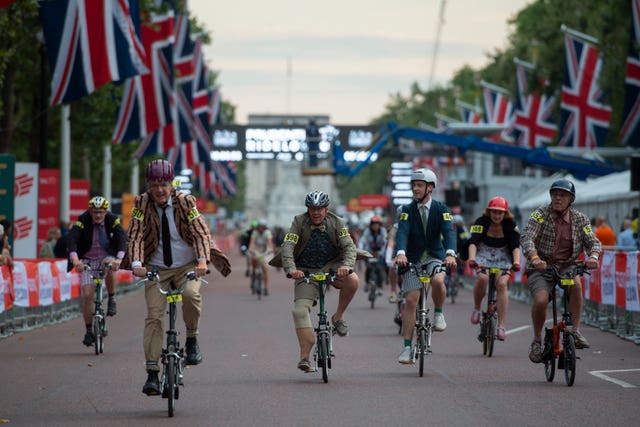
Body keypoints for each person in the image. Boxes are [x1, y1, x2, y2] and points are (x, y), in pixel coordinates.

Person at [125, 159, 231, 396]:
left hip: (187, 265)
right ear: (148, 185)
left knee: (190, 294)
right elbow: (135, 235)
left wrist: (203, 261)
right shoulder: (141, 203)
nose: (159, 190)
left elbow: (200, 232)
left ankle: (192, 338)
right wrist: (136, 263)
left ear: (171, 184)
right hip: (156, 268)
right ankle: (152, 373)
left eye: (163, 184)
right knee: (153, 316)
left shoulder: (185, 201)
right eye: (154, 185)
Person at [271, 190, 359, 373]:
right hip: (306, 271)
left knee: (353, 280)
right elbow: (288, 247)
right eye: (312, 209)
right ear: (308, 209)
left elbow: (349, 246)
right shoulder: (298, 222)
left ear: (326, 209)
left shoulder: (338, 223)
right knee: (299, 310)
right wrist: (291, 269)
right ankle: (304, 356)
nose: (316, 212)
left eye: (319, 208)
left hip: (333, 267)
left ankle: (339, 317)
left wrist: (347, 266)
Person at [520, 179, 601, 363]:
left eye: (563, 195)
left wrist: (593, 257)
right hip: (542, 266)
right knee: (541, 300)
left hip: (568, 265)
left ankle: (575, 331)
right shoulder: (540, 214)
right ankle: (537, 339)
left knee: (577, 286)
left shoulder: (581, 219)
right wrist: (534, 258)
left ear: (571, 199)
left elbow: (593, 241)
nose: (558, 198)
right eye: (555, 194)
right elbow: (527, 237)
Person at [394, 168, 457, 364]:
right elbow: (402, 233)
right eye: (413, 185)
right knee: (411, 300)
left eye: (419, 185)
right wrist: (401, 253)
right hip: (411, 259)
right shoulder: (406, 210)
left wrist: (450, 253)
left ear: (430, 188)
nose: (415, 188)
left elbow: (449, 232)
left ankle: (438, 314)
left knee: (438, 280)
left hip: (435, 257)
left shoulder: (442, 209)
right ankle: (406, 348)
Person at [66, 196, 127, 347]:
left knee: (110, 265)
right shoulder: (83, 219)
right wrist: (75, 260)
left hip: (107, 256)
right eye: (94, 212)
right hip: (87, 260)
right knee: (87, 295)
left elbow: (122, 239)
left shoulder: (112, 219)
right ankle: (88, 331)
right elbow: (72, 240)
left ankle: (112, 298)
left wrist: (118, 259)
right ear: (90, 211)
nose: (98, 215)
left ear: (106, 211)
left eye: (100, 212)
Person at [466, 197, 521, 341]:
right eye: (494, 212)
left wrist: (516, 262)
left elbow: (515, 246)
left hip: (503, 257)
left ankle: (501, 326)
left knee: (502, 284)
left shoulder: (510, 225)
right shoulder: (480, 222)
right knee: (483, 278)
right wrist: (472, 259)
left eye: (500, 213)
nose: (497, 216)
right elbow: (473, 242)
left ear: (505, 214)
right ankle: (477, 308)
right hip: (483, 254)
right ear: (489, 212)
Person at [358, 214, 388, 294]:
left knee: (379, 269)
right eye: (373, 224)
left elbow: (385, 242)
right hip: (369, 252)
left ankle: (380, 287)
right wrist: (361, 251)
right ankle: (367, 283)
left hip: (380, 253)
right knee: (368, 268)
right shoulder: (367, 231)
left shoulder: (383, 231)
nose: (375, 226)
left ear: (380, 225)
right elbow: (362, 240)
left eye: (377, 224)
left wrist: (382, 252)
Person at [247, 219, 275, 295]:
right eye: (259, 227)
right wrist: (250, 249)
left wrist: (270, 249)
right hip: (256, 250)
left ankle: (265, 288)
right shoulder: (255, 233)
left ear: (265, 227)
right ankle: (254, 277)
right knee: (254, 261)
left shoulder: (267, 233)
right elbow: (252, 243)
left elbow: (270, 243)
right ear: (258, 227)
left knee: (265, 268)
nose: (261, 228)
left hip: (266, 251)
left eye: (262, 227)